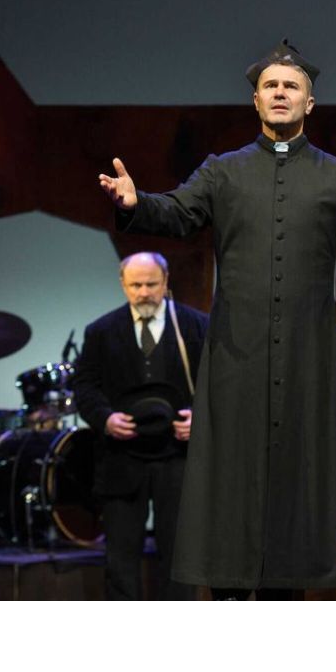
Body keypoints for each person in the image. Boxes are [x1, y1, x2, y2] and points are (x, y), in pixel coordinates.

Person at [98, 39, 336, 597]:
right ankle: (230, 592)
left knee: (297, 479)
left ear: (310, 103)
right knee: (232, 476)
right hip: (236, 358)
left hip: (306, 360)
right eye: (270, 86)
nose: (280, 93)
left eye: (291, 86)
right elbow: (178, 212)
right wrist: (136, 203)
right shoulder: (222, 171)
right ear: (255, 102)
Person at [72, 252, 208, 600]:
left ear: (165, 281)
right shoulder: (101, 331)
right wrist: (105, 418)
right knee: (120, 557)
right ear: (123, 285)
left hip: (177, 457)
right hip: (122, 457)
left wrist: (202, 418)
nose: (144, 292)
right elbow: (84, 386)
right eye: (135, 285)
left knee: (180, 555)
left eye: (151, 284)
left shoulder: (196, 326)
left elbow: (221, 384)